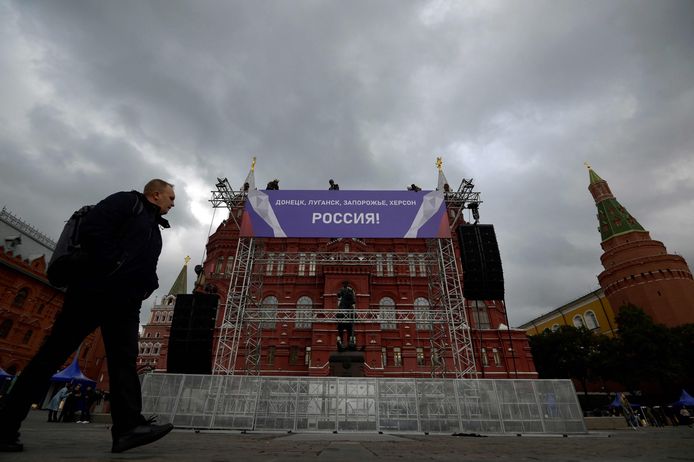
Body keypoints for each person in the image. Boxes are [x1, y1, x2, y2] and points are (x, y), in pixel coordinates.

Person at [0, 179, 176, 453]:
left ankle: (128, 429)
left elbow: (145, 264)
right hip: (94, 291)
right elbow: (94, 230)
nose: (173, 203)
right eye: (170, 197)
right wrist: (113, 266)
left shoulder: (152, 226)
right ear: (155, 195)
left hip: (124, 300)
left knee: (124, 363)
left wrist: (146, 285)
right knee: (51, 356)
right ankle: (4, 427)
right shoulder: (126, 202)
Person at [336, 281, 356, 351]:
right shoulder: (341, 289)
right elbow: (339, 295)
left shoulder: (350, 290)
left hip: (348, 305)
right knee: (339, 312)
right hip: (343, 304)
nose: (345, 285)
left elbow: (353, 300)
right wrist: (338, 294)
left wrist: (351, 296)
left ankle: (350, 342)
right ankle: (341, 342)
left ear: (347, 284)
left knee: (352, 311)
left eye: (346, 284)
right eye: (344, 284)